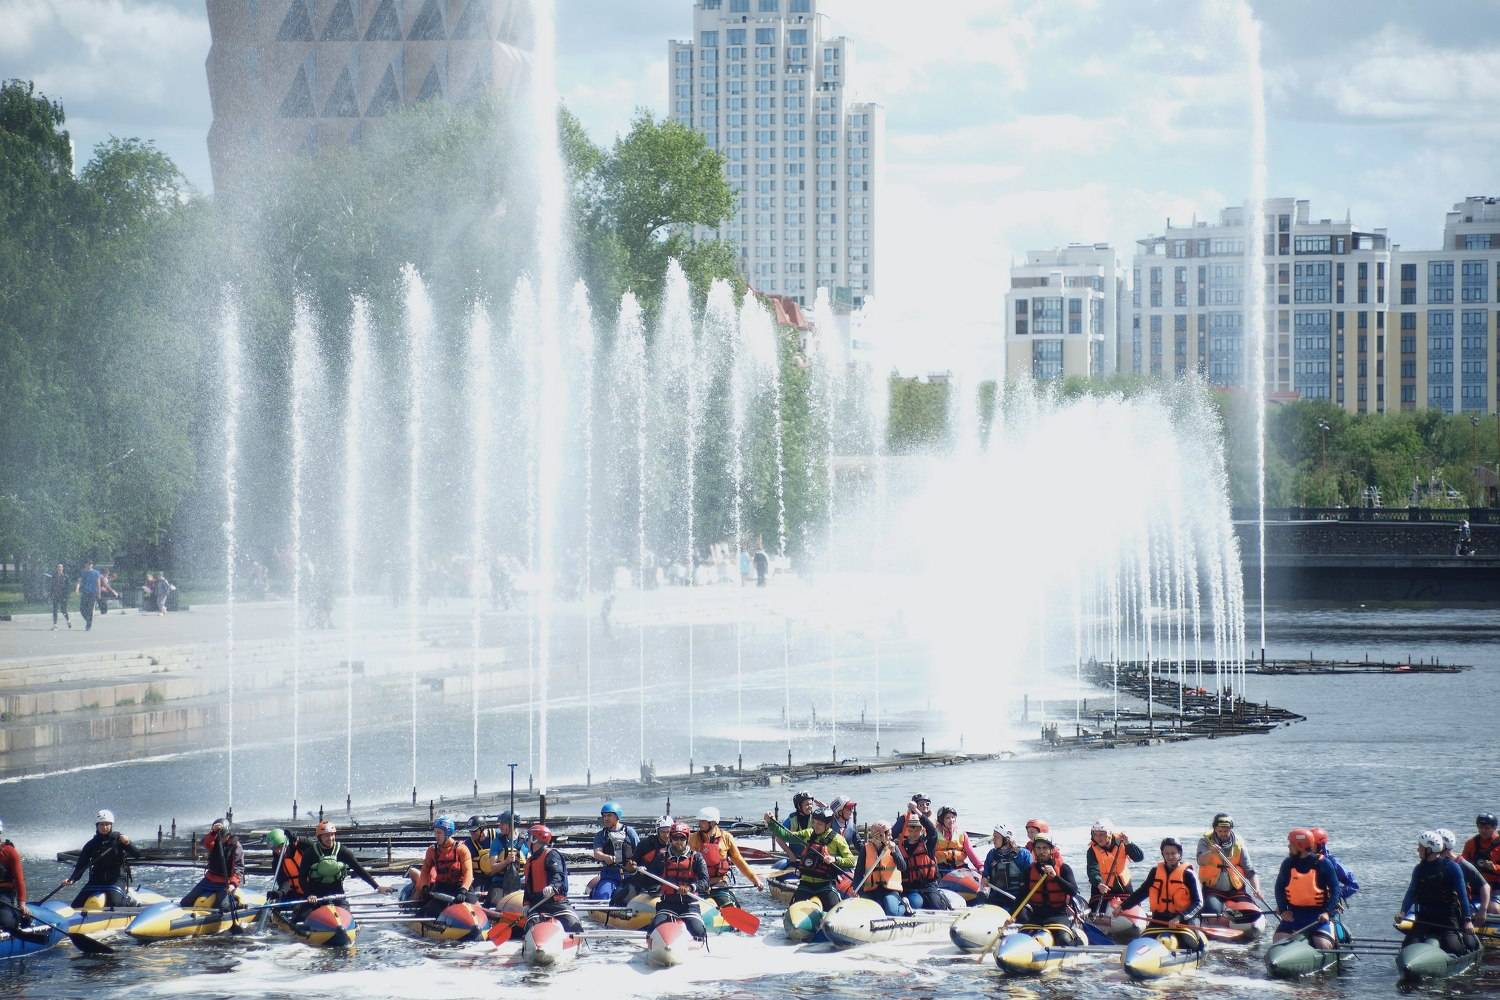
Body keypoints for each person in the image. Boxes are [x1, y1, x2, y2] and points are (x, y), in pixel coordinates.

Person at [283, 820, 390, 920]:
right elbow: (302, 877)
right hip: (316, 895)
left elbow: (359, 870)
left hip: (337, 893)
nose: (330, 838)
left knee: (345, 917)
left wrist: (377, 887)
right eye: (326, 835)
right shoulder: (310, 853)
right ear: (319, 837)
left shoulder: (343, 851)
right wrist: (309, 894)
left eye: (332, 835)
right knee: (300, 917)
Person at [1400, 829, 1477, 957]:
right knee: (1407, 946)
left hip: (1447, 919)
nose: (1418, 849)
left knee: (1455, 949)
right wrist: (1403, 912)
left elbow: (1463, 896)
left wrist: (1467, 920)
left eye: (1420, 847)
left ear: (1429, 850)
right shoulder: (1419, 869)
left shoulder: (1452, 867)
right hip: (1425, 918)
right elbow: (1411, 893)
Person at [764, 806, 855, 910]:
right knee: (793, 909)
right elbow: (786, 836)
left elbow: (851, 861)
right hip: (805, 885)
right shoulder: (808, 833)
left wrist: (835, 859)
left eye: (819, 824)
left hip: (825, 885)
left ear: (828, 824)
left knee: (835, 910)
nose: (815, 826)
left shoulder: (837, 839)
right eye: (814, 822)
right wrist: (771, 823)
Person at [1112, 838, 1202, 929]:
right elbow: (1141, 893)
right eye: (1167, 853)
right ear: (1163, 854)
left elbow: (1198, 903)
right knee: (1145, 938)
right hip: (1159, 920)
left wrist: (1179, 918)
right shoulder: (1155, 872)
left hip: (1184, 921)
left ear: (1180, 854)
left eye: (1173, 853)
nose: (1170, 857)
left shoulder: (1189, 874)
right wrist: (1122, 907)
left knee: (1189, 938)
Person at [1271, 828, 1339, 948]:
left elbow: (1335, 890)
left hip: (1318, 916)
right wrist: (1283, 910)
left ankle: (1330, 936)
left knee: (1322, 945)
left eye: (1291, 844)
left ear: (1300, 846)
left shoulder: (1323, 864)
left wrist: (1327, 912)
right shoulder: (1287, 864)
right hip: (1294, 914)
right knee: (1278, 941)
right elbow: (1279, 888)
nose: (1288, 846)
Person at [64, 809, 142, 908]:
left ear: (111, 825)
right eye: (101, 824)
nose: (104, 827)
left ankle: (129, 900)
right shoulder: (91, 844)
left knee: (115, 904)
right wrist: (72, 879)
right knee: (76, 905)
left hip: (116, 879)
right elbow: (81, 864)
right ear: (97, 826)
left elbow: (137, 855)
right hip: (96, 880)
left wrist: (128, 843)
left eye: (107, 824)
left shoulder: (119, 840)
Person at [690, 806, 764, 908]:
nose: (699, 824)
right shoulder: (693, 838)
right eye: (699, 821)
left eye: (703, 821)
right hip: (699, 884)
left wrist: (755, 879)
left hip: (719, 884)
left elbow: (739, 860)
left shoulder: (726, 838)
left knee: (729, 907)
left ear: (713, 823)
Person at [647, 822, 710, 941]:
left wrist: (690, 888)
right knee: (652, 930)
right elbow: (649, 878)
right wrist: (636, 870)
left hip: (689, 905)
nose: (679, 841)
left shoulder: (697, 857)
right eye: (675, 838)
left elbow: (705, 881)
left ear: (687, 839)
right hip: (668, 904)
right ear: (671, 839)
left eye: (682, 838)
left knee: (699, 932)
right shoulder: (662, 857)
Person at [1196, 812, 1261, 915]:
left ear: (1231, 829)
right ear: (1214, 829)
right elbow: (1200, 861)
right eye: (1220, 831)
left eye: (1226, 831)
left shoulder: (1238, 843)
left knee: (1249, 913)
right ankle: (1219, 915)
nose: (1223, 834)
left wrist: (1257, 889)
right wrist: (1210, 852)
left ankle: (1236, 915)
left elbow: (1249, 870)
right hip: (1213, 890)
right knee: (1213, 911)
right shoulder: (1205, 842)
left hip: (1236, 890)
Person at [523, 824, 582, 932]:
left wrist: (552, 886)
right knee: (530, 926)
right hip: (538, 906)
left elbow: (557, 875)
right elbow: (528, 886)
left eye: (528, 838)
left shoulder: (552, 855)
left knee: (572, 924)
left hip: (556, 903)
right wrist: (526, 904)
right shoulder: (530, 862)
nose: (526, 842)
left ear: (534, 839)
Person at [412, 817, 474, 918]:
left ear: (448, 833)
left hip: (461, 888)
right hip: (442, 889)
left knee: (476, 910)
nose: (436, 836)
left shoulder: (462, 849)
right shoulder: (432, 850)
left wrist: (463, 890)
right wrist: (425, 886)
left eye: (439, 833)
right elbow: (425, 871)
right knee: (428, 912)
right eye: (435, 832)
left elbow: (468, 872)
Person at [0, 821, 50, 944]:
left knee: (6, 922)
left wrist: (22, 903)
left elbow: (20, 880)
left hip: (4, 893)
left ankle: (22, 917)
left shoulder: (10, 852)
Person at [1021, 834, 1081, 937]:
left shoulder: (1064, 868)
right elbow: (1022, 895)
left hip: (1058, 915)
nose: (1041, 851)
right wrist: (1013, 916)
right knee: (1022, 937)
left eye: (1045, 848)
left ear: (1051, 850)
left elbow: (1073, 891)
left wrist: (1056, 877)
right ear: (1034, 850)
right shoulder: (1029, 870)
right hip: (1036, 916)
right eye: (1038, 848)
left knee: (1064, 939)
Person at [179, 818, 244, 911]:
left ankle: (237, 903)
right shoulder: (214, 840)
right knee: (185, 902)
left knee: (223, 907)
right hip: (209, 880)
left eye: (223, 836)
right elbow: (206, 843)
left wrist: (233, 884)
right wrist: (213, 832)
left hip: (225, 883)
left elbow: (239, 868)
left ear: (228, 834)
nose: (221, 839)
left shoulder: (236, 846)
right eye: (219, 835)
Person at [1086, 819, 1144, 915]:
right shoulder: (1092, 851)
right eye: (1095, 834)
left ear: (1109, 834)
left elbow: (1139, 858)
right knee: (1095, 909)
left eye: (1102, 834)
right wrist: (1098, 883)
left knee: (1134, 904)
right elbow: (1092, 870)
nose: (1098, 838)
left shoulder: (1122, 842)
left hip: (1123, 884)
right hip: (1103, 885)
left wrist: (1129, 843)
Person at [851, 821, 907, 916]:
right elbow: (858, 873)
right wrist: (857, 891)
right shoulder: (866, 849)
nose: (891, 837)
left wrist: (894, 852)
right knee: (870, 912)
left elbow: (903, 867)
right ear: (879, 835)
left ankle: (904, 904)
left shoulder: (893, 847)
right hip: (871, 890)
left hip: (890, 890)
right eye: (888, 835)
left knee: (892, 911)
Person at [897, 809, 949, 911]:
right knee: (916, 903)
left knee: (937, 906)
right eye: (911, 830)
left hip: (928, 885)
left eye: (917, 830)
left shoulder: (928, 844)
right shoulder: (901, 846)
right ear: (907, 830)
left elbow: (932, 831)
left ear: (922, 830)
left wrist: (917, 811)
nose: (914, 833)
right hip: (910, 886)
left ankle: (940, 896)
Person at [1438, 828, 1490, 923]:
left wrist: (1483, 910)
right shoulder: (1430, 862)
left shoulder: (1462, 864)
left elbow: (1485, 886)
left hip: (1458, 905)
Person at [592, 802, 640, 903]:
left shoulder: (630, 832)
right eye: (604, 816)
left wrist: (634, 864)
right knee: (602, 896)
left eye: (609, 815)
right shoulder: (601, 835)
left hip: (629, 874)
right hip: (609, 874)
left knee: (635, 897)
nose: (606, 819)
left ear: (617, 816)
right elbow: (597, 853)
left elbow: (639, 851)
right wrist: (606, 857)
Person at [621, 816, 676, 902]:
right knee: (622, 895)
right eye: (663, 832)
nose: (666, 835)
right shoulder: (645, 844)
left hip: (667, 882)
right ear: (657, 831)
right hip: (644, 880)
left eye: (668, 832)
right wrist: (633, 866)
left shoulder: (676, 845)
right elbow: (632, 865)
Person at [980, 824, 1032, 908]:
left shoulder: (1023, 854)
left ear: (1006, 839)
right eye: (993, 837)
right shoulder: (992, 854)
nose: (993, 840)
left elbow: (1030, 879)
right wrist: (985, 878)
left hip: (1017, 899)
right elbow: (986, 874)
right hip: (996, 898)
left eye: (996, 837)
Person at [1308, 827, 1360, 912]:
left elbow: (1353, 885)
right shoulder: (1299, 861)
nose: (1307, 846)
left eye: (1311, 844)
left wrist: (1337, 893)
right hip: (1303, 908)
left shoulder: (1332, 862)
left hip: (1327, 910)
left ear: (1320, 845)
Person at [1461, 812, 1500, 917]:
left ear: (1494, 828)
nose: (1483, 830)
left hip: (1496, 887)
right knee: (1461, 907)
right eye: (1480, 827)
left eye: (1487, 828)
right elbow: (1463, 864)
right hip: (1477, 885)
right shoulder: (1471, 843)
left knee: (1493, 908)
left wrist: (1494, 867)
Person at [487, 811, 528, 900]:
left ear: (512, 824)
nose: (500, 826)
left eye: (503, 824)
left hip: (520, 882)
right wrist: (506, 862)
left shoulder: (526, 841)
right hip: (500, 882)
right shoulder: (497, 842)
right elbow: (493, 868)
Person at [934, 805, 982, 874]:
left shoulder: (962, 834)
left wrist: (980, 867)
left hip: (960, 867)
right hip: (940, 868)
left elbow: (970, 852)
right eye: (948, 818)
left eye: (953, 817)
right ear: (941, 820)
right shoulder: (934, 834)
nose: (951, 820)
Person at [76, 560, 102, 631]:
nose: (89, 565)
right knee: (82, 609)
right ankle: (88, 620)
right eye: (88, 564)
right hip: (85, 592)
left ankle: (88, 625)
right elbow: (79, 581)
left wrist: (99, 593)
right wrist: (77, 589)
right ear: (85, 565)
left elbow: (98, 583)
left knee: (90, 609)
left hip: (92, 593)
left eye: (90, 564)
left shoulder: (96, 573)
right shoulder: (82, 572)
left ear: (92, 565)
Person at [49, 563, 71, 630]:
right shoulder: (54, 576)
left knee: (63, 610)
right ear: (56, 568)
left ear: (63, 568)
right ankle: (55, 625)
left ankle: (68, 621)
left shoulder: (66, 577)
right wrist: (50, 594)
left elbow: (68, 588)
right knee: (55, 610)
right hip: (56, 595)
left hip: (63, 596)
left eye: (61, 567)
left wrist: (66, 596)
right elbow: (52, 586)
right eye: (58, 567)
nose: (59, 568)